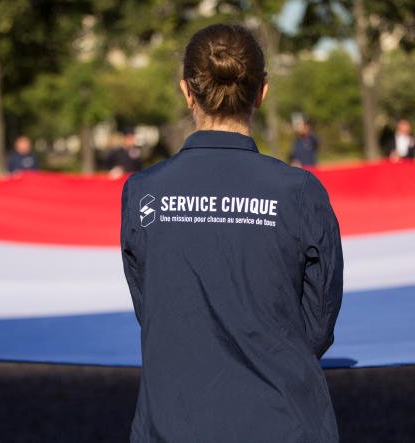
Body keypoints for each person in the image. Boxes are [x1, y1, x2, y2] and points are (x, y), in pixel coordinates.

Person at [121, 24, 343, 443]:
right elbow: (317, 327)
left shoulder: (143, 193)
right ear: (262, 91)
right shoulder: (300, 192)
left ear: (187, 91)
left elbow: (152, 312)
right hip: (283, 422)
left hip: (172, 423)